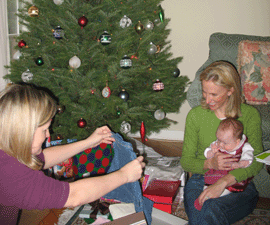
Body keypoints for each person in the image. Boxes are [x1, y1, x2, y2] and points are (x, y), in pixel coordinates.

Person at [0, 83, 145, 225]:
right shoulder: (12, 174)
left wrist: (88, 142)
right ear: (24, 133)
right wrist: (125, 175)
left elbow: (43, 159)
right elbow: (74, 195)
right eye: (44, 129)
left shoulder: (8, 149)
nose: (47, 135)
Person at [180, 61, 263, 225]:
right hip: (200, 180)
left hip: (239, 183)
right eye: (205, 93)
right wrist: (209, 162)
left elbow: (257, 160)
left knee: (210, 210)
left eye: (214, 95)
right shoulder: (195, 116)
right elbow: (186, 161)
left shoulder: (249, 115)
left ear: (230, 91)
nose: (208, 99)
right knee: (205, 210)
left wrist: (224, 182)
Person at [194, 118, 254, 210]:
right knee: (207, 186)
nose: (220, 145)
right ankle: (204, 197)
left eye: (224, 143)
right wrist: (211, 152)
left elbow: (248, 159)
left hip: (231, 176)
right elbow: (207, 153)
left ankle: (209, 200)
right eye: (219, 140)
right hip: (216, 172)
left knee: (223, 191)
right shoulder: (219, 143)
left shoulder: (244, 147)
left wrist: (240, 164)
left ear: (237, 142)